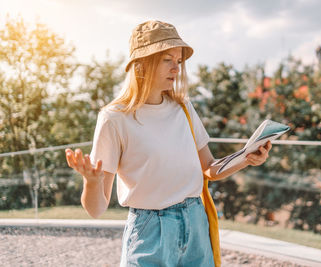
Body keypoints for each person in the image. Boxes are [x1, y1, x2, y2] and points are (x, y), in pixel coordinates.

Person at [65, 20, 272, 267]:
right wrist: (91, 182)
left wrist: (246, 158)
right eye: (167, 60)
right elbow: (96, 209)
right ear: (141, 63)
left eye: (179, 61)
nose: (176, 68)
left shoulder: (183, 107)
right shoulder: (114, 118)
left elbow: (210, 168)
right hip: (150, 232)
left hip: (196, 223)